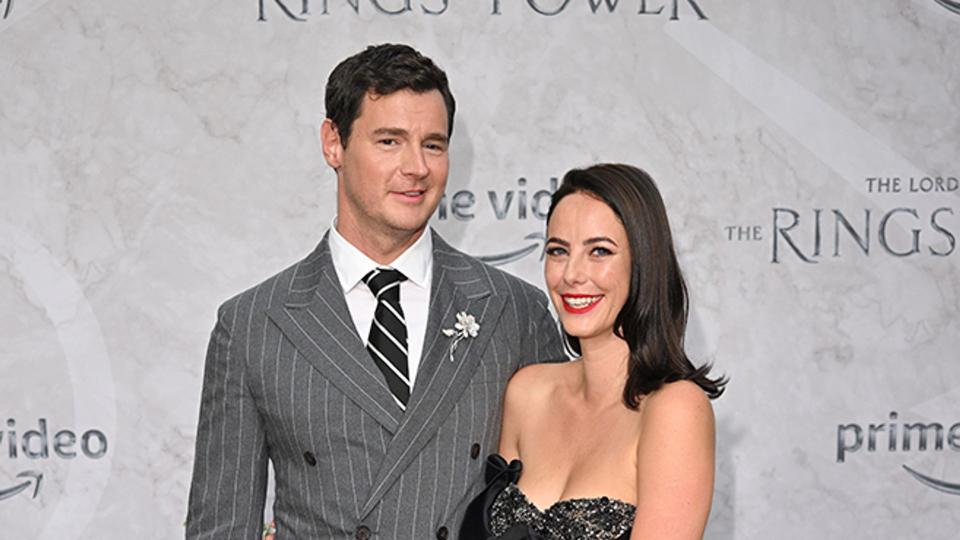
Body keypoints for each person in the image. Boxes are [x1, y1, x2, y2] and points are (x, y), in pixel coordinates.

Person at [185, 43, 565, 539]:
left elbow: (563, 495)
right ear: (333, 144)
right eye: (389, 141)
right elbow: (221, 528)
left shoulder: (513, 310)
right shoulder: (255, 325)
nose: (417, 168)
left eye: (433, 144)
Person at [459, 164, 727, 540]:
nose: (571, 274)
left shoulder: (674, 409)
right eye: (558, 251)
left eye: (599, 251)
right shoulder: (528, 391)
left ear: (643, 263)